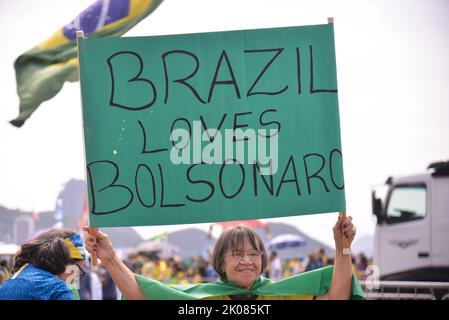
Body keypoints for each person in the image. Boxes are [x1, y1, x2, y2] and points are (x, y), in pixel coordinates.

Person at [83, 212, 363, 300]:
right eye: (237, 254)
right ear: (220, 263)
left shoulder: (281, 293)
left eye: (254, 254)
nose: (247, 261)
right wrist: (108, 258)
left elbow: (337, 295)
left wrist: (342, 247)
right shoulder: (201, 298)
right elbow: (143, 294)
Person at [0, 229, 86, 300]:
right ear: (65, 262)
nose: (74, 279)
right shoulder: (58, 291)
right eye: (78, 271)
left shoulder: (7, 284)